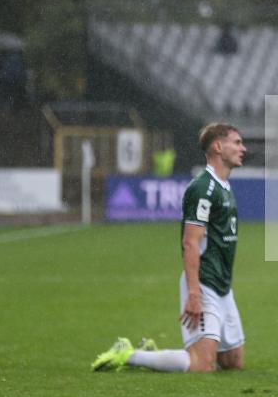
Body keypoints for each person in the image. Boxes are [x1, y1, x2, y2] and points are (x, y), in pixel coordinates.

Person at [92, 123, 247, 373]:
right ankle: (129, 354)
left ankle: (156, 354)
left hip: (222, 285)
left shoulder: (224, 187)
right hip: (204, 282)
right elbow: (190, 242)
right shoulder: (202, 188)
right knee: (202, 365)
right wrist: (193, 293)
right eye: (237, 142)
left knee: (232, 362)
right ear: (218, 147)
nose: (243, 148)